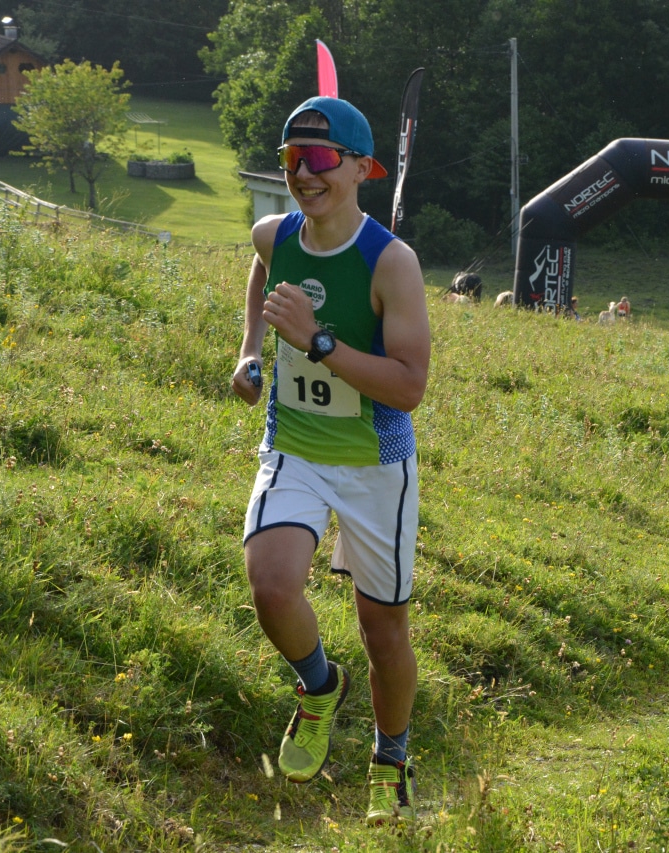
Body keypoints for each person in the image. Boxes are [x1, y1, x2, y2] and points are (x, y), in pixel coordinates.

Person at [230, 96, 430, 827]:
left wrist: (317, 342)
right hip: (295, 447)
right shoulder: (274, 233)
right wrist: (251, 349)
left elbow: (409, 387)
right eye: (292, 158)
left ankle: (390, 760)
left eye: (318, 159)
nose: (303, 174)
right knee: (271, 585)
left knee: (384, 632)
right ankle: (318, 687)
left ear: (361, 169)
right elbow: (262, 269)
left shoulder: (392, 263)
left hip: (376, 465)